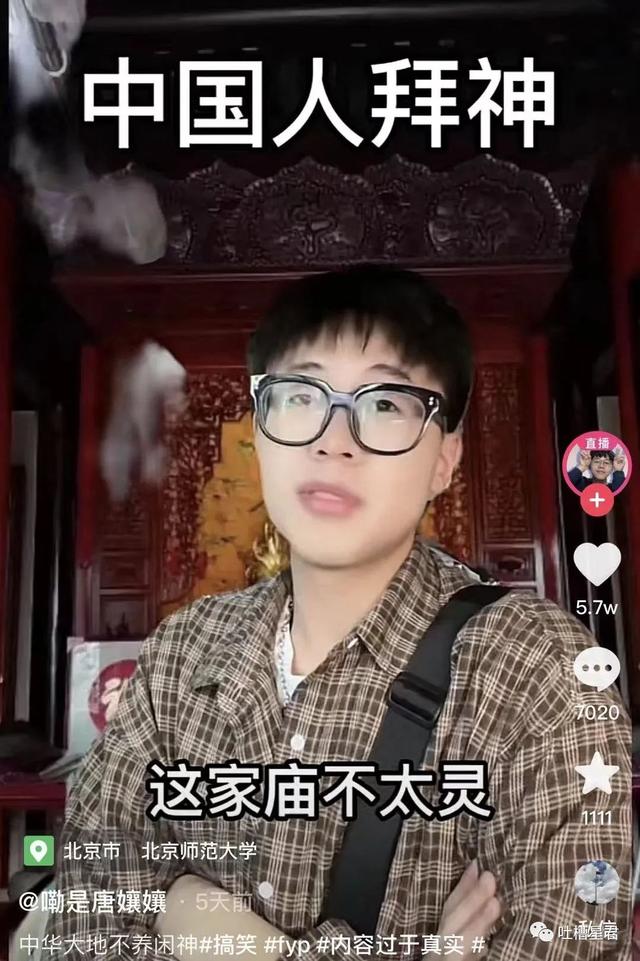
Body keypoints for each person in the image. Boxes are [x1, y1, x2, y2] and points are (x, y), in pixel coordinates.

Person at [45, 266, 631, 960]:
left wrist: (205, 924)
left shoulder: (539, 670)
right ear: (260, 431)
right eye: (300, 396)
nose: (334, 439)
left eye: (384, 404)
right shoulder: (182, 653)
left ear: (445, 459)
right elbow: (82, 926)